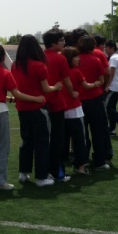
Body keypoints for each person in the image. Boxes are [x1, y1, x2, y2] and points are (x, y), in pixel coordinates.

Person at [0, 44, 44, 190]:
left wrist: (9, 99)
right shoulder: (5, 72)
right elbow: (17, 94)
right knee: (1, 148)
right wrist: (36, 98)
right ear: (3, 57)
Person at [11, 35, 62, 187]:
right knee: (42, 142)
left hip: (22, 108)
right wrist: (56, 87)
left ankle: (23, 172)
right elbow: (46, 89)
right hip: (38, 108)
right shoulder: (39, 65)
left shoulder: (15, 65)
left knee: (26, 141)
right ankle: (41, 176)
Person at [61, 47, 102, 175]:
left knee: (62, 140)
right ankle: (81, 166)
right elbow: (86, 86)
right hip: (75, 110)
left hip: (61, 109)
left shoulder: (60, 72)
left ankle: (60, 168)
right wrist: (96, 84)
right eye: (76, 57)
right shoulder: (76, 72)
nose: (79, 59)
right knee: (80, 140)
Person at [42, 28, 74, 182]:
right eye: (61, 40)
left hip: (40, 103)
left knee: (42, 140)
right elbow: (67, 81)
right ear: (53, 42)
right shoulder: (60, 59)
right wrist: (73, 93)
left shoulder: (39, 57)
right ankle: (57, 172)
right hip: (55, 102)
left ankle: (43, 171)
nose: (64, 42)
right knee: (57, 140)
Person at [76, 35, 110, 171]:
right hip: (95, 98)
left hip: (79, 100)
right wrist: (102, 87)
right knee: (98, 131)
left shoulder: (75, 60)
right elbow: (103, 78)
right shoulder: (96, 60)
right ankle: (100, 161)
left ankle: (82, 161)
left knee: (81, 134)